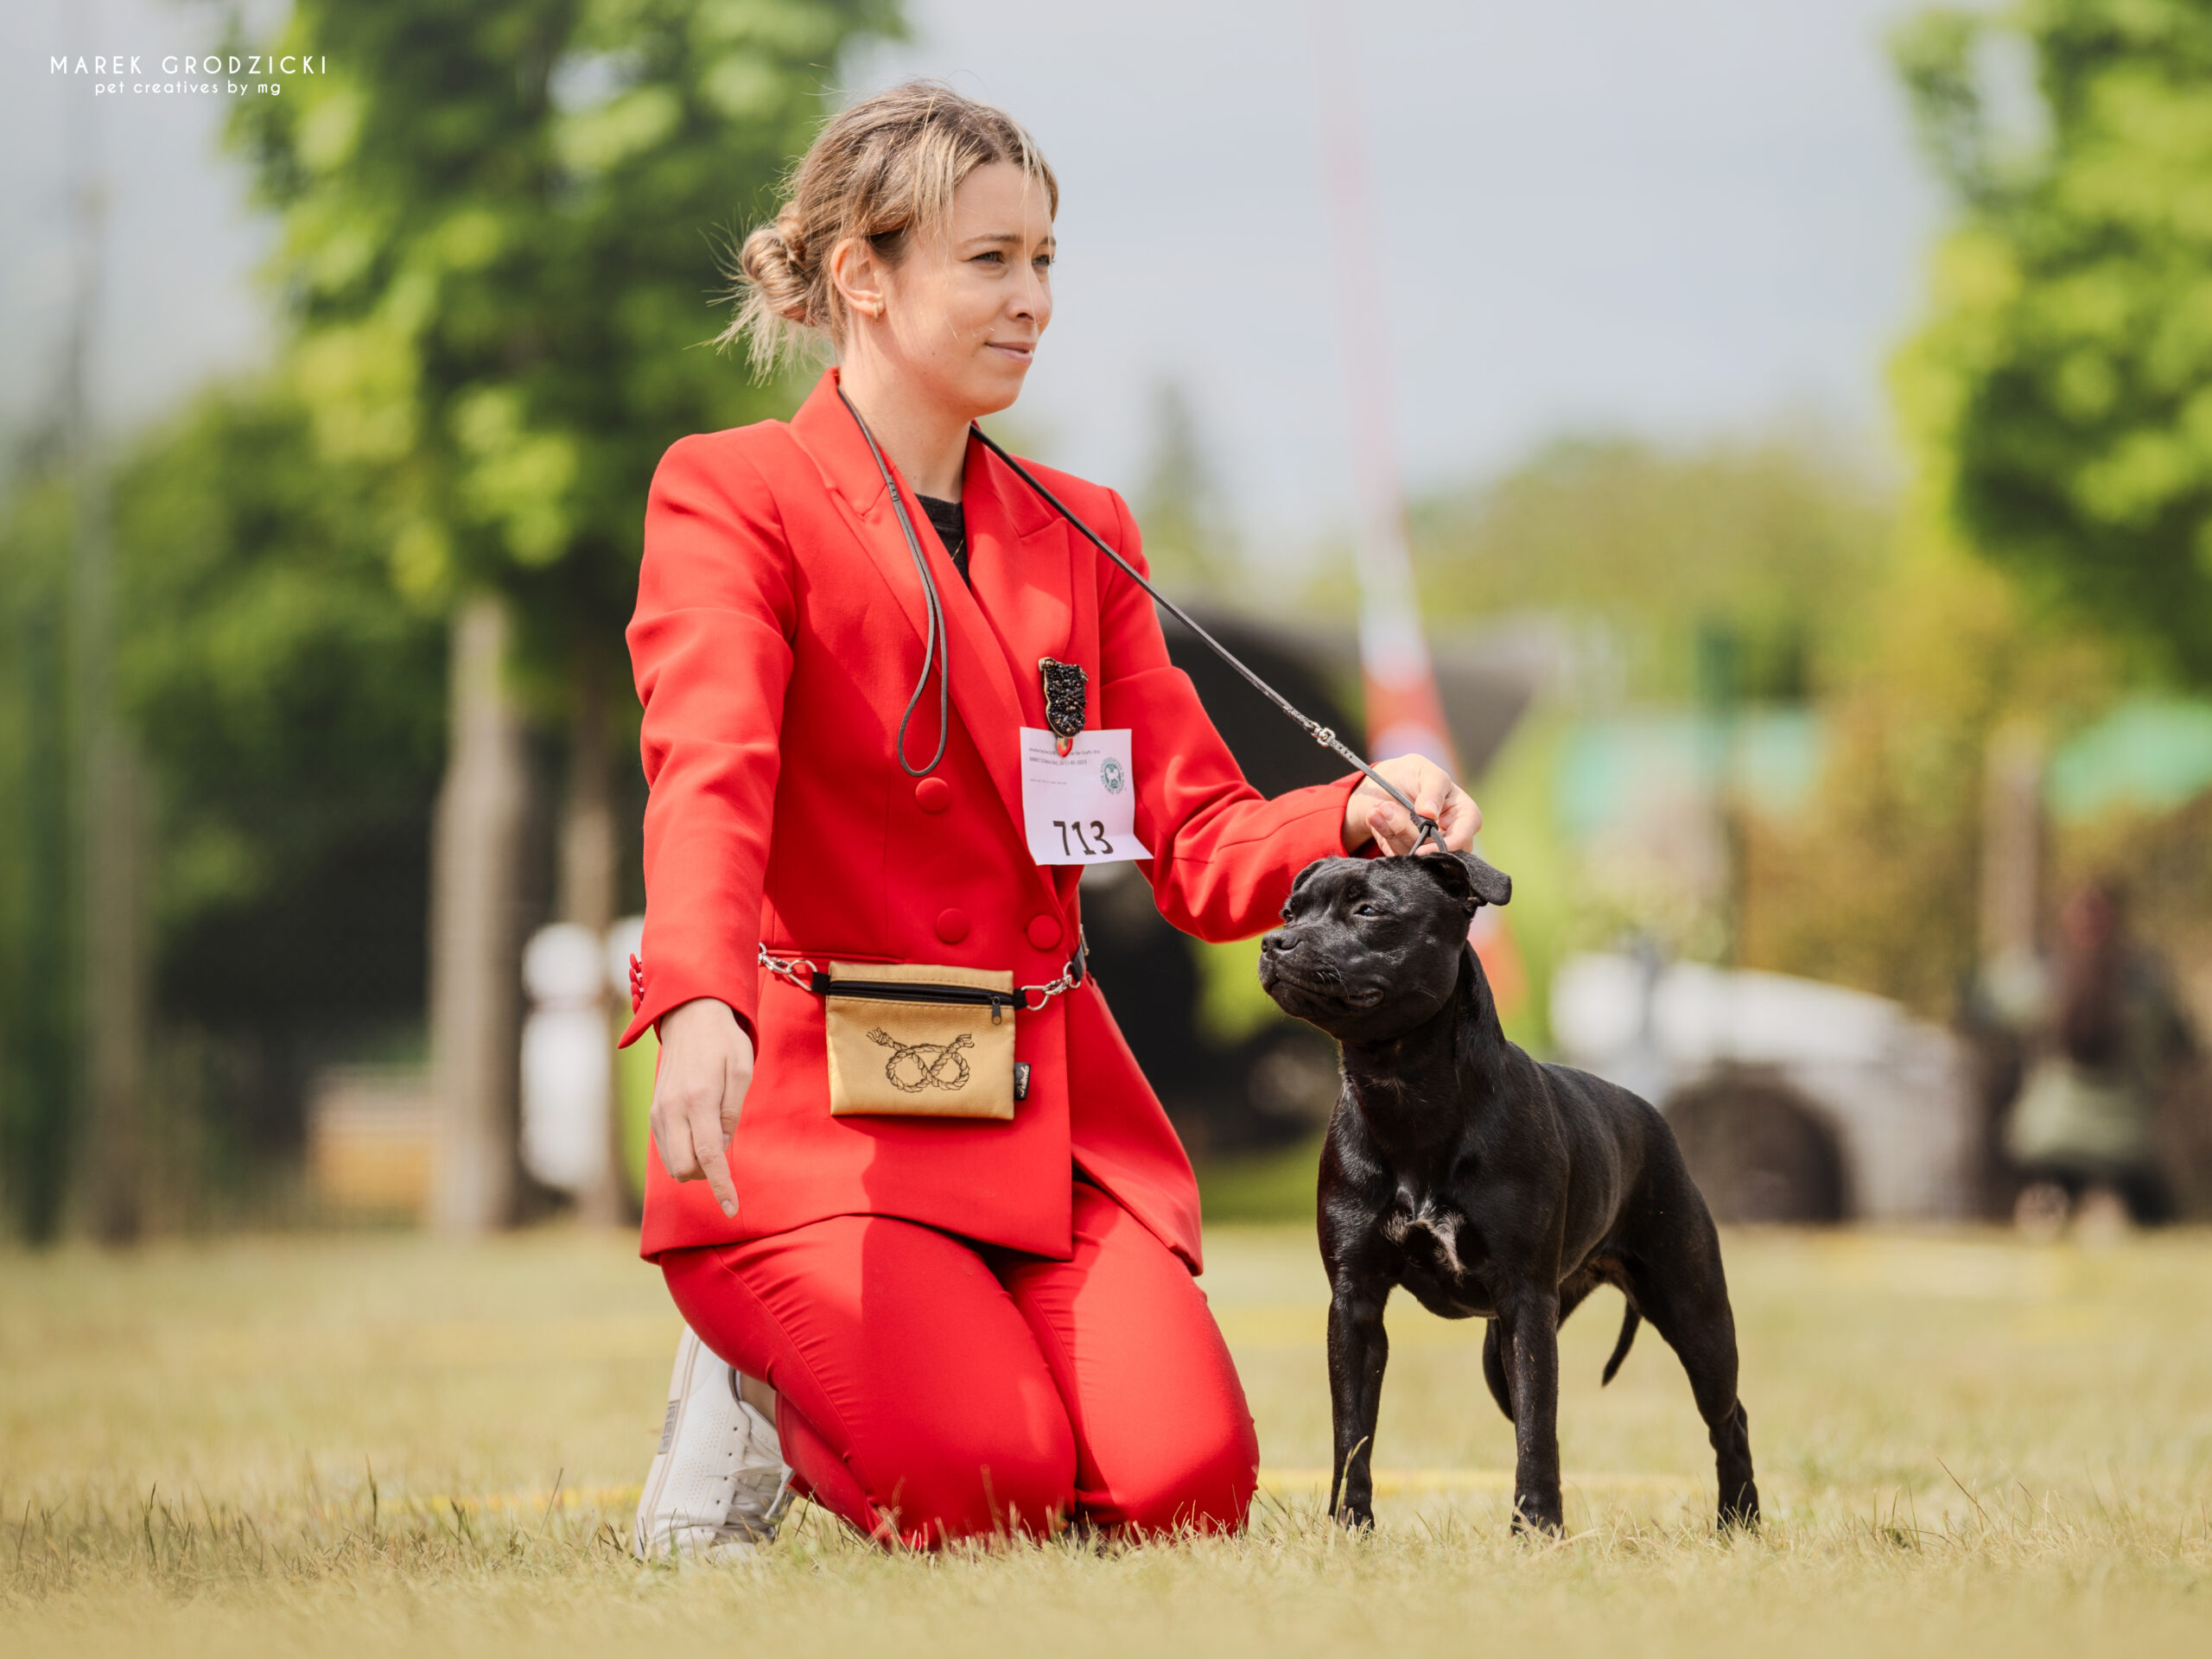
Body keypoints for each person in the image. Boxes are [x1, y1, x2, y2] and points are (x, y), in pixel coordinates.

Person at [625, 81, 1479, 1555]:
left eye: (1045, 260)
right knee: (982, 1494)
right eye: (990, 261)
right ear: (863, 276)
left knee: (1184, 1494)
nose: (1033, 300)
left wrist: (1352, 811)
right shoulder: (732, 494)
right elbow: (711, 769)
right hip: (826, 1129)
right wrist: (699, 999)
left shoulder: (1085, 529)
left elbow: (1197, 843)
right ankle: (750, 1387)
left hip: (1039, 1119)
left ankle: (905, 1379)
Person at [2005, 880, 2194, 1236]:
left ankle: (2056, 1203)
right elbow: (2180, 1043)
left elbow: (1988, 1006)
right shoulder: (2147, 983)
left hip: (2046, 1141)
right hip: (2127, 1149)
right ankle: (2102, 1204)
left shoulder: (2036, 977)